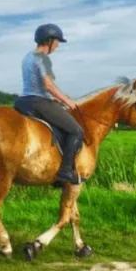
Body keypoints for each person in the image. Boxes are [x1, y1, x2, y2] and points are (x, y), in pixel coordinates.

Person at [13, 23, 84, 185]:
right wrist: (68, 101)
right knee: (76, 131)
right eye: (57, 41)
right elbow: (48, 86)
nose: (58, 46)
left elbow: (38, 85)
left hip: (23, 101)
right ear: (49, 40)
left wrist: (59, 98)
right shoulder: (43, 58)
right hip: (38, 102)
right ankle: (66, 171)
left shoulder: (27, 57)